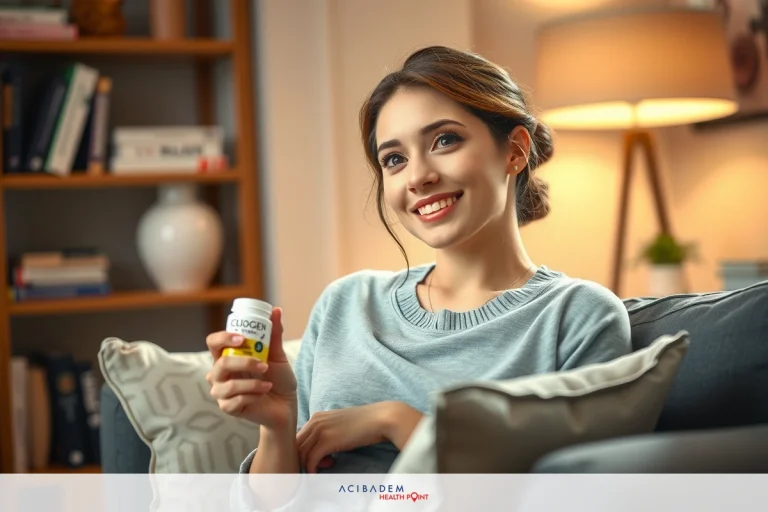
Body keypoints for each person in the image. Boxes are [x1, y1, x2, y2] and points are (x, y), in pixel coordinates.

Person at [206, 45, 631, 487]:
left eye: (445, 140)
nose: (417, 177)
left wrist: (397, 422)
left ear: (515, 151)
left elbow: (570, 492)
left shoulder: (577, 317)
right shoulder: (347, 304)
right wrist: (277, 425)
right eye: (395, 159)